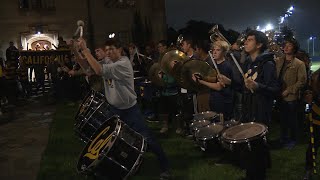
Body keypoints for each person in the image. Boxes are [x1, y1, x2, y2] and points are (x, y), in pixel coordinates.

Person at [77, 38, 171, 180]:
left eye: (112, 49)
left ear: (120, 50)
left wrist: (85, 50)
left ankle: (165, 168)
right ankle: (124, 166)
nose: (108, 52)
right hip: (114, 109)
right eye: (107, 49)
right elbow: (88, 69)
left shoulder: (123, 63)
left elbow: (98, 70)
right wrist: (77, 50)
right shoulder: (108, 62)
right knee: (116, 143)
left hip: (129, 110)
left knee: (148, 140)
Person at [240, 30, 279, 180]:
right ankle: (252, 173)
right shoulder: (249, 63)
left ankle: (258, 175)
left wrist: (258, 86)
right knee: (250, 146)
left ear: (259, 44)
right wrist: (230, 82)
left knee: (257, 146)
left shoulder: (267, 64)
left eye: (250, 40)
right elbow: (245, 87)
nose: (245, 42)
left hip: (261, 111)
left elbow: (275, 90)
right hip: (249, 109)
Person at [275, 38, 307, 148]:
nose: (286, 47)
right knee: (283, 120)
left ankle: (293, 140)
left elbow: (302, 81)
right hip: (280, 96)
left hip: (291, 97)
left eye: (289, 45)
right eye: (285, 45)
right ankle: (283, 139)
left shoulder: (299, 64)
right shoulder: (279, 61)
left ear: (294, 48)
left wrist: (289, 90)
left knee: (292, 121)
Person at [192, 40, 233, 121]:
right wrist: (202, 77)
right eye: (213, 50)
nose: (214, 52)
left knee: (221, 125)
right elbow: (215, 78)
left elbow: (218, 87)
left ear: (224, 52)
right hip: (214, 99)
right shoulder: (215, 64)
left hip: (223, 101)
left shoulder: (226, 66)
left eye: (218, 50)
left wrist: (201, 81)